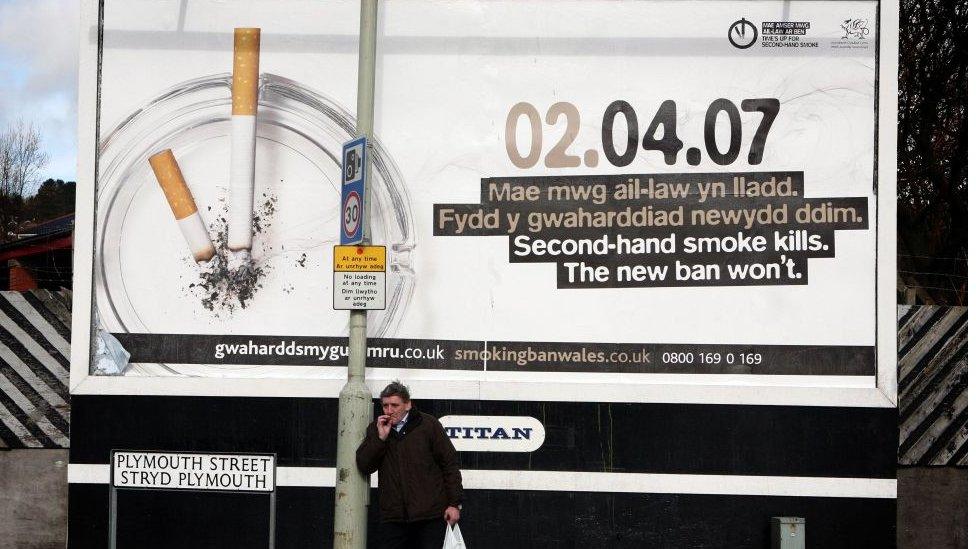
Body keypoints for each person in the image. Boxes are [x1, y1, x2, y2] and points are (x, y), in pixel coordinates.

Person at [356, 381, 463, 549]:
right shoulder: (376, 429)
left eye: (394, 405)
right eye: (385, 405)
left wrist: (454, 504)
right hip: (394, 518)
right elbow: (365, 465)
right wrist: (380, 439)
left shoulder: (428, 425)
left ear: (408, 404)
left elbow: (449, 464)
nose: (389, 410)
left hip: (430, 516)